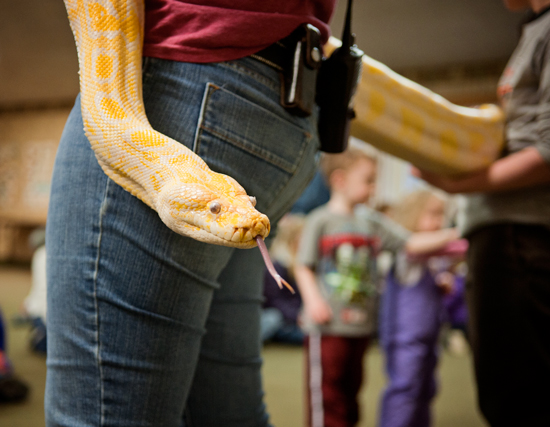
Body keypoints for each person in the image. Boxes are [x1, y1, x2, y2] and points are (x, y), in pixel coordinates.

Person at [46, 1, 337, 426]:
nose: (246, 219)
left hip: (191, 70)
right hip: (289, 107)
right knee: (227, 414)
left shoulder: (136, 144)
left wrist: (220, 205)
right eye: (220, 209)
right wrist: (216, 202)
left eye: (239, 206)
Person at [413, 0, 550, 425]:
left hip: (529, 236)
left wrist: (457, 183)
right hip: (512, 234)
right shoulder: (548, 23)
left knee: (526, 399)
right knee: (513, 391)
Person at [294, 149, 458, 427]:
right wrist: (313, 301)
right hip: (327, 326)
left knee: (351, 393)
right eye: (368, 180)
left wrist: (459, 233)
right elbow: (302, 265)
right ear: (340, 180)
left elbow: (411, 243)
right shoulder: (319, 220)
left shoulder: (372, 223)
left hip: (360, 327)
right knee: (327, 395)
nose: (374, 188)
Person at [378, 190, 467, 427]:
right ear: (413, 215)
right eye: (432, 214)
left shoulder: (434, 255)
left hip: (430, 337)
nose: (438, 221)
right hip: (405, 339)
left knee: (426, 389)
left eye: (442, 215)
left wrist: (443, 283)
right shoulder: (409, 249)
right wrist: (456, 232)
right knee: (405, 389)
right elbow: (415, 249)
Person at [261, 214, 305, 345]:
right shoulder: (278, 265)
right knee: (272, 320)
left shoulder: (298, 262)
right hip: (281, 317)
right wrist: (297, 316)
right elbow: (274, 301)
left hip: (296, 316)